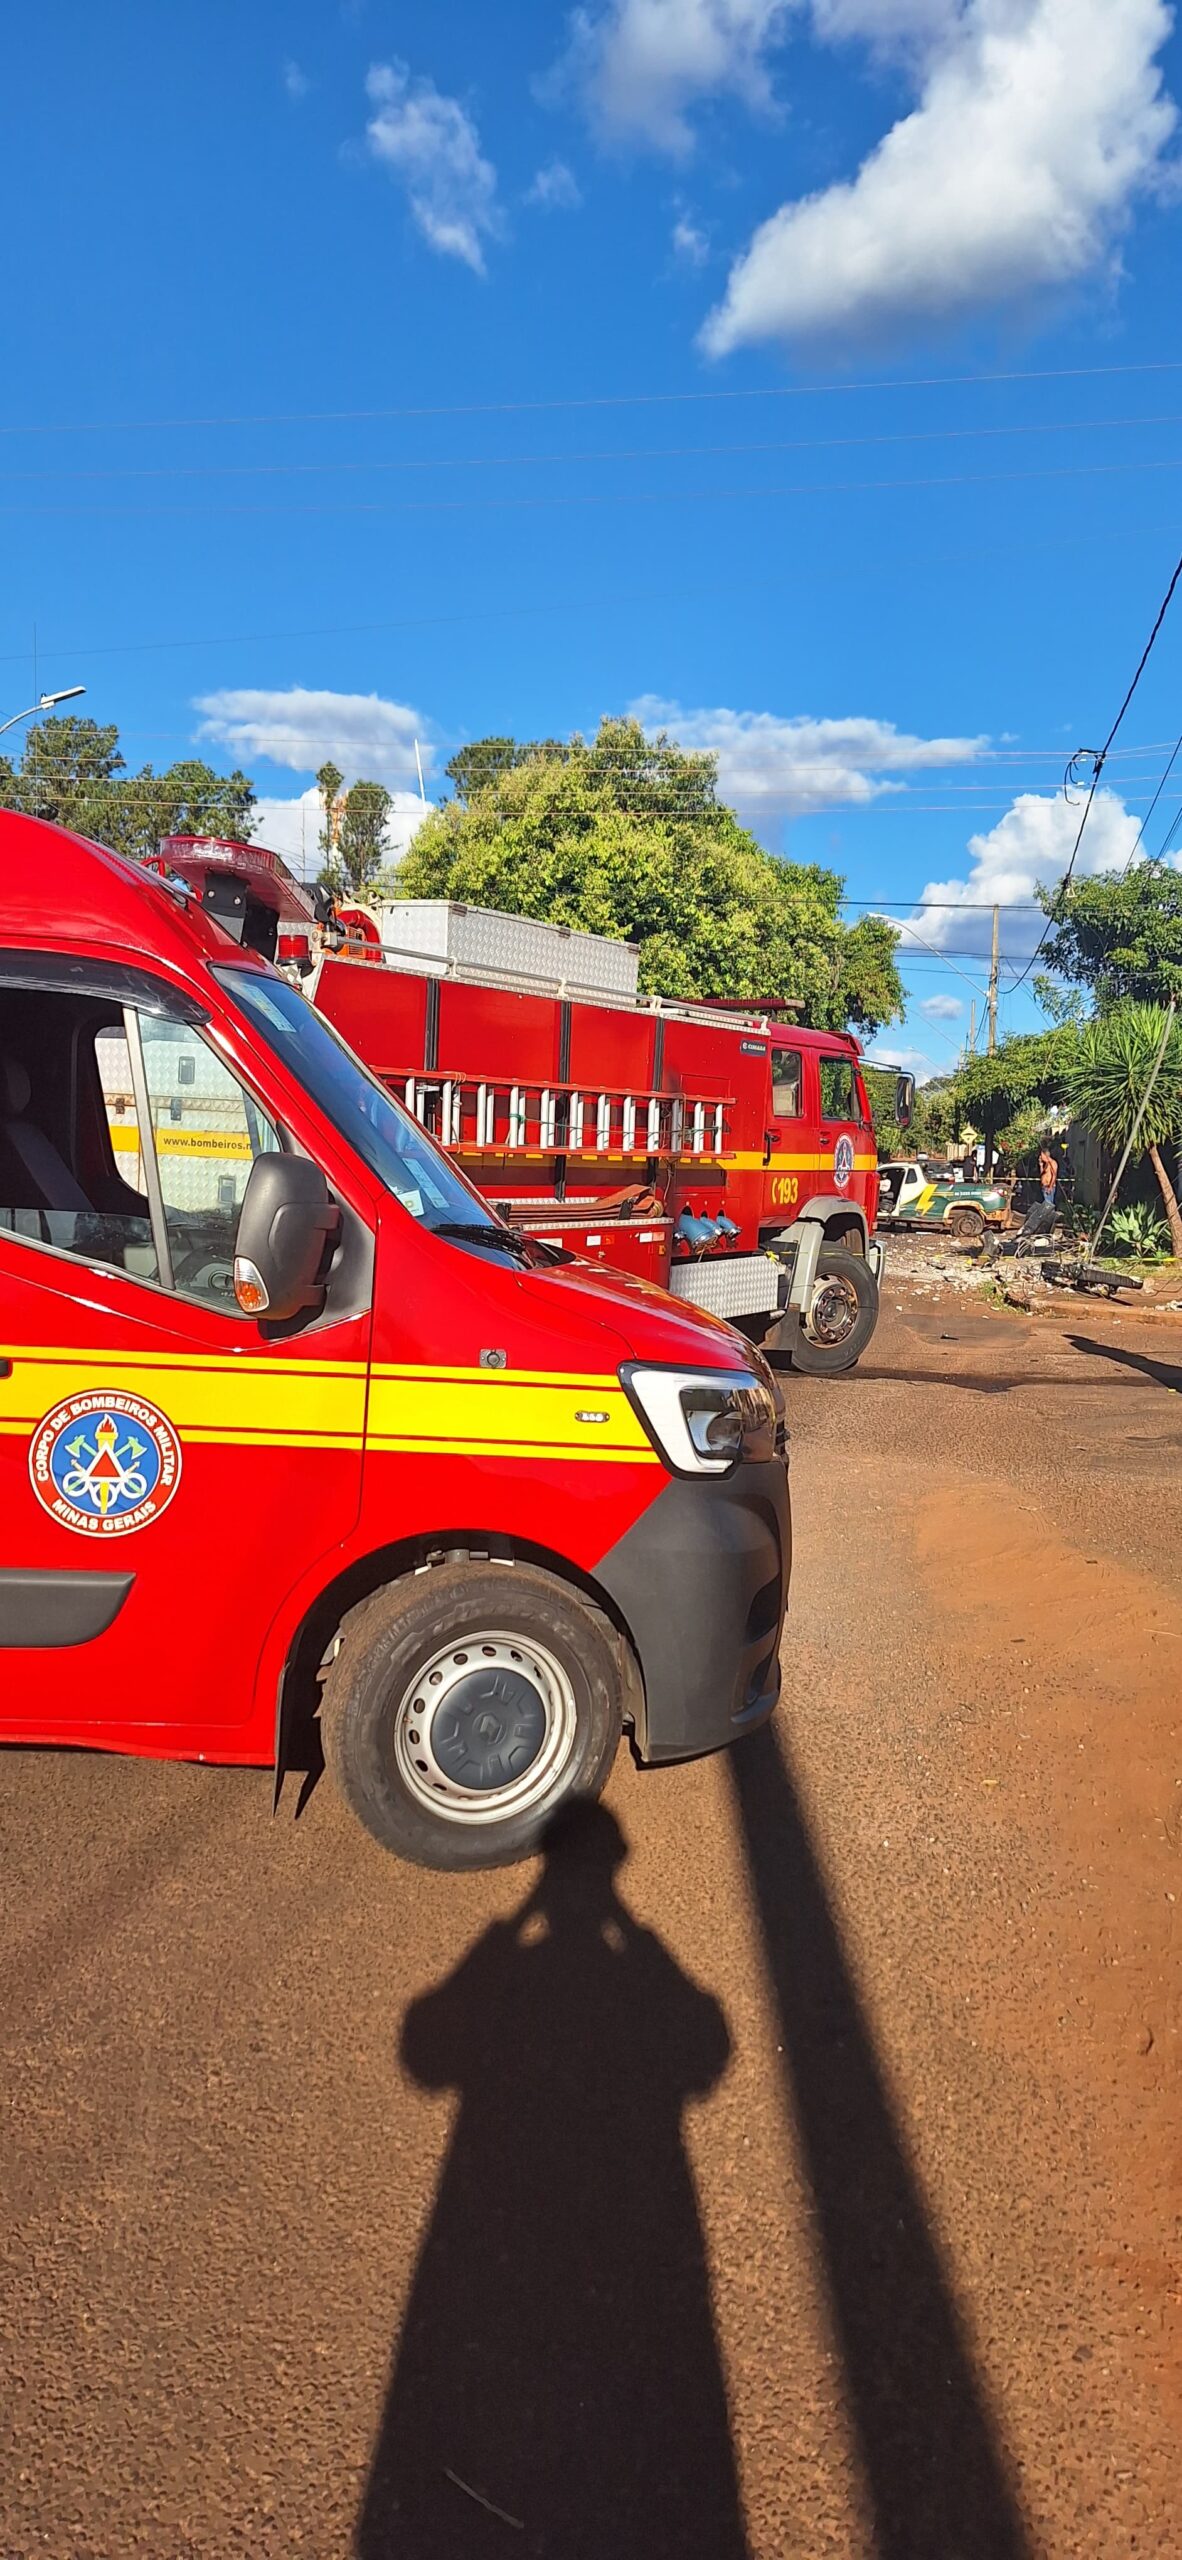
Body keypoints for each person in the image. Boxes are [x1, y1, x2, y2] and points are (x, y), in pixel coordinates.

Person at [1038, 1144, 1058, 1208]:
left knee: (1048, 1205)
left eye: (1041, 1155)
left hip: (1048, 1187)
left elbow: (1054, 1175)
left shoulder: (1052, 1163)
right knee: (1045, 1205)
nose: (1040, 1157)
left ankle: (1049, 1217)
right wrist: (1041, 1165)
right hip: (1044, 1186)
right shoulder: (1046, 1164)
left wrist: (1050, 1187)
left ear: (1045, 1155)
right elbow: (1042, 1174)